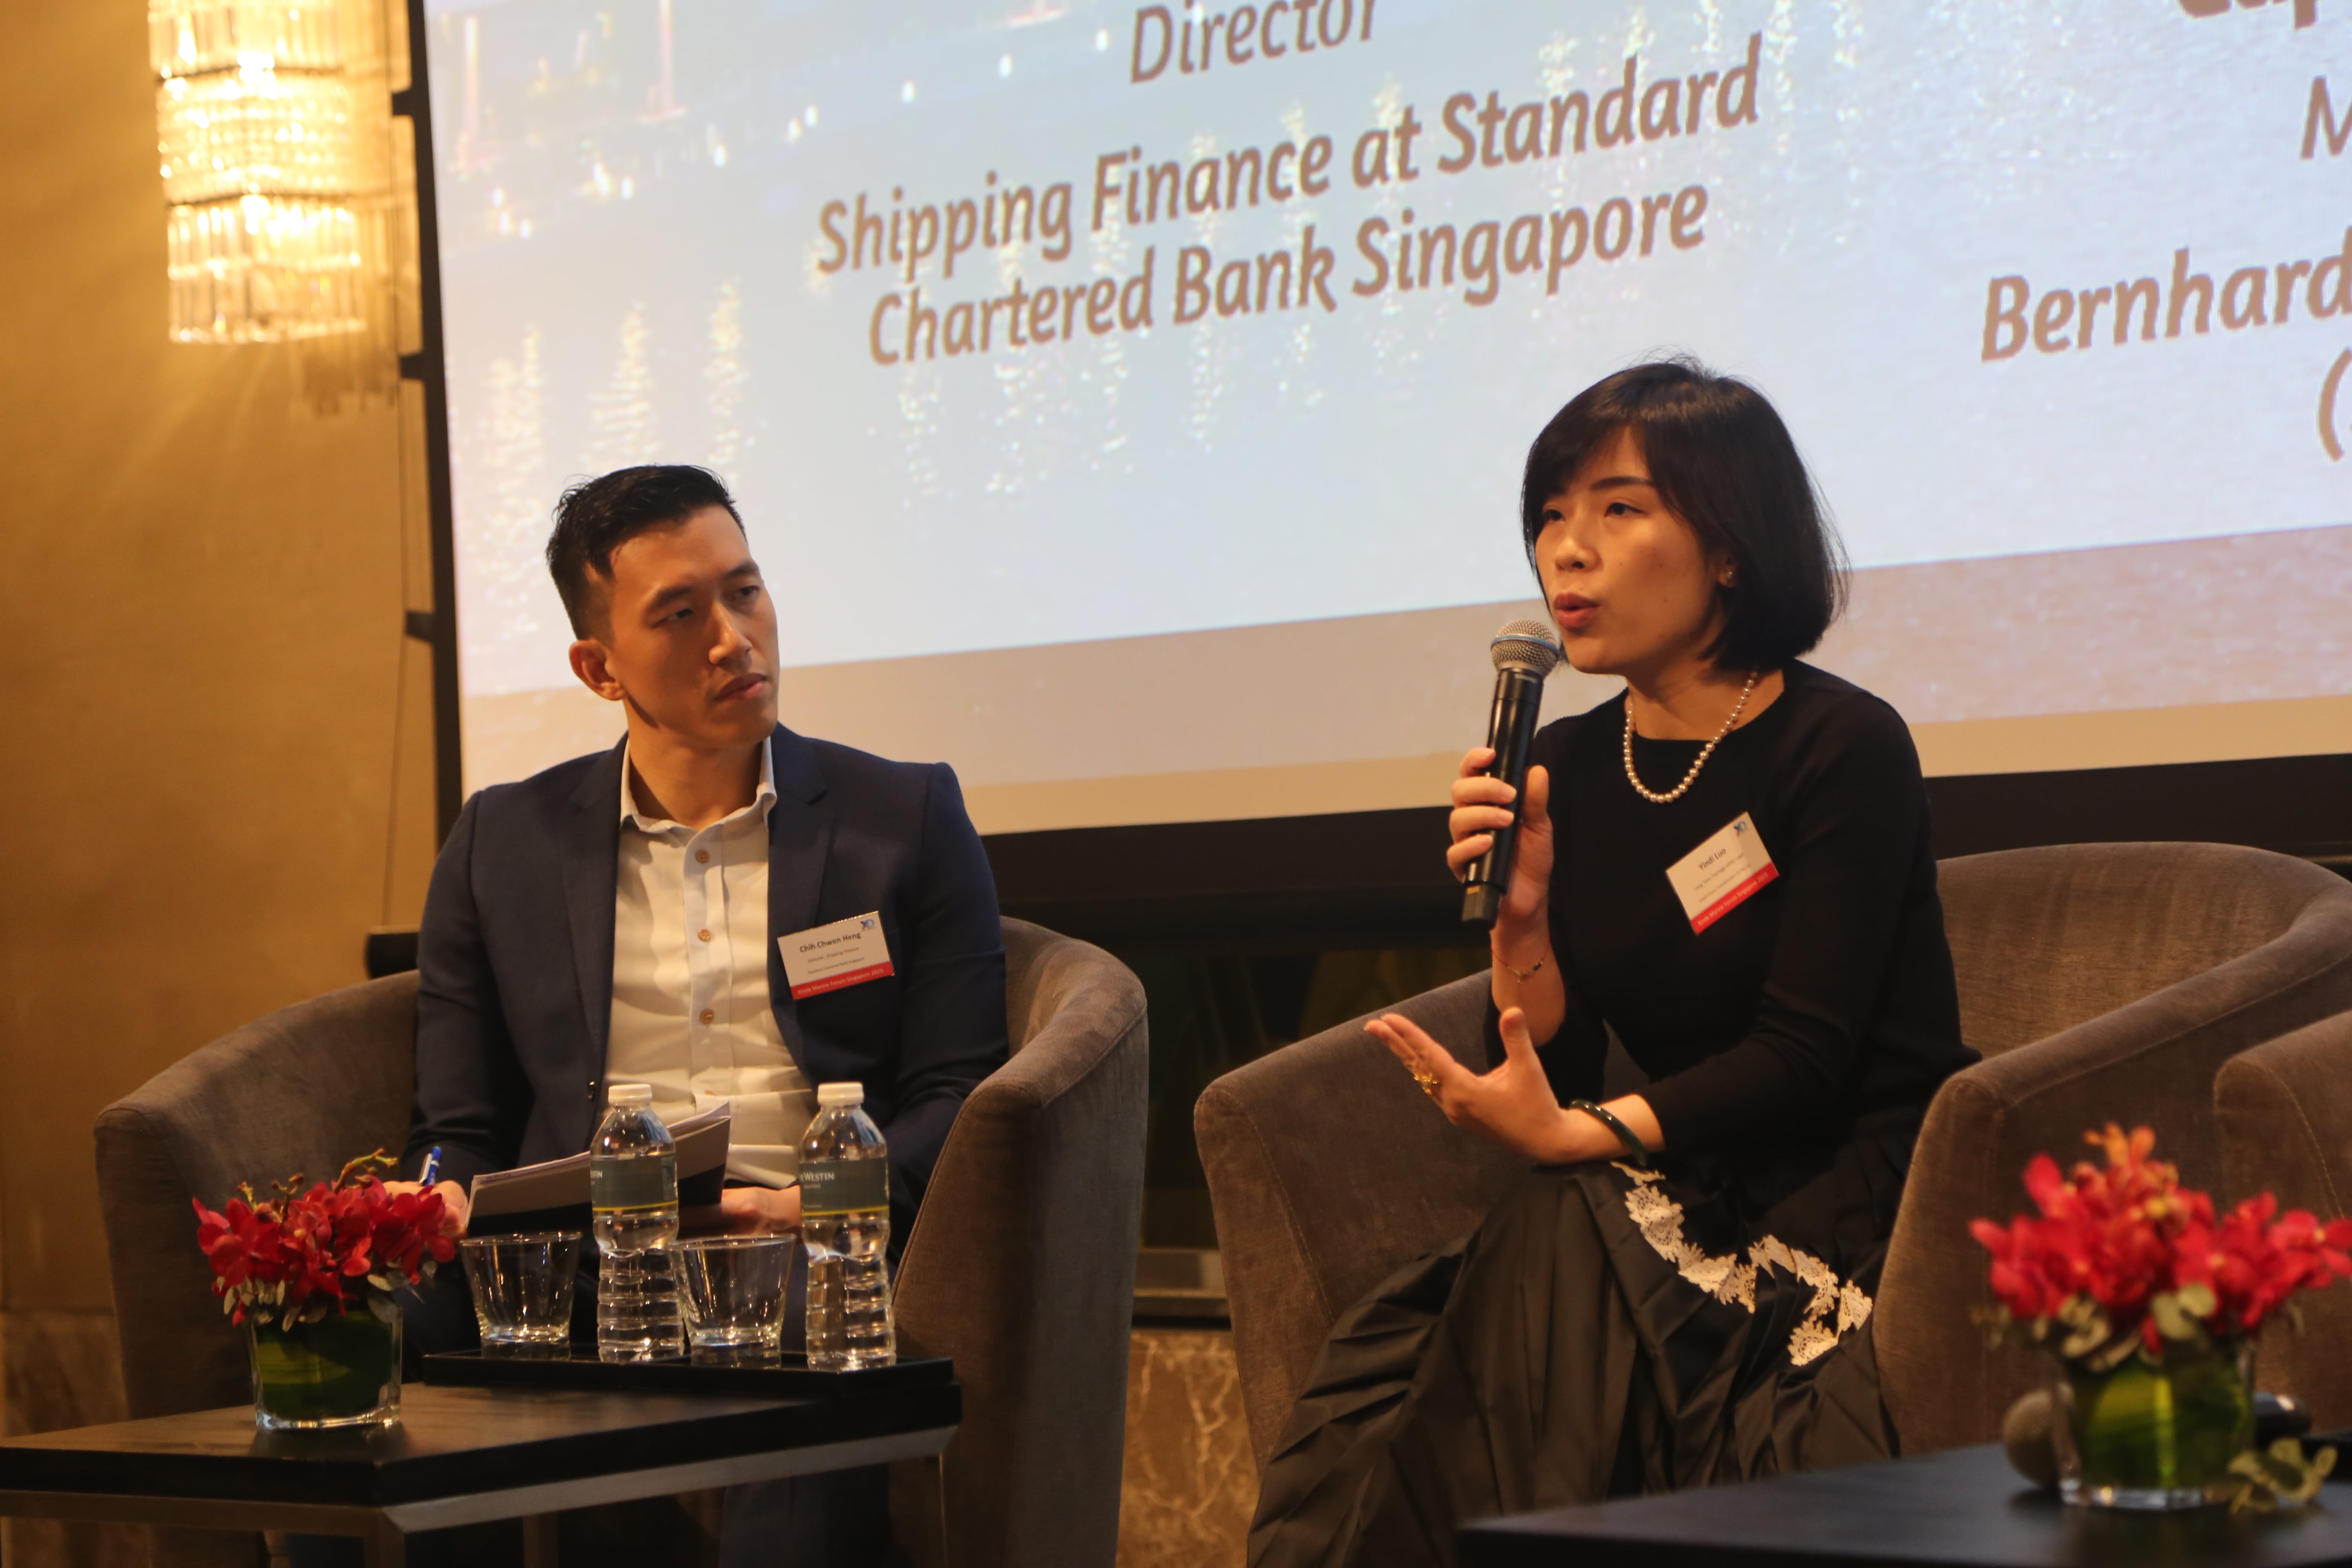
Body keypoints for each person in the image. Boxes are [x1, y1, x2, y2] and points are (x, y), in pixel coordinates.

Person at [1248, 360, 1979, 1568]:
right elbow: (1571, 1054)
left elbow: (1807, 1057)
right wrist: (1522, 924)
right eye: (1550, 516)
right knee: (1436, 1338)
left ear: (1729, 547)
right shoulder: (1575, 763)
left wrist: (1579, 1137)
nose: (1566, 552)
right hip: (1682, 1184)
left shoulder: (1840, 743)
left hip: (1850, 1190)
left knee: (1556, 1230)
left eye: (1618, 509)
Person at [395, 463, 1008, 1564]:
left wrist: (812, 1204)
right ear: (599, 667)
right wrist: (428, 1197)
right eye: (680, 615)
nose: (733, 639)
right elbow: (457, 1124)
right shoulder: (504, 843)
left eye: (745, 591)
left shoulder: (903, 815)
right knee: (373, 1338)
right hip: (584, 1265)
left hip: (801, 1251)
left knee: (804, 1363)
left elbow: (957, 1092)